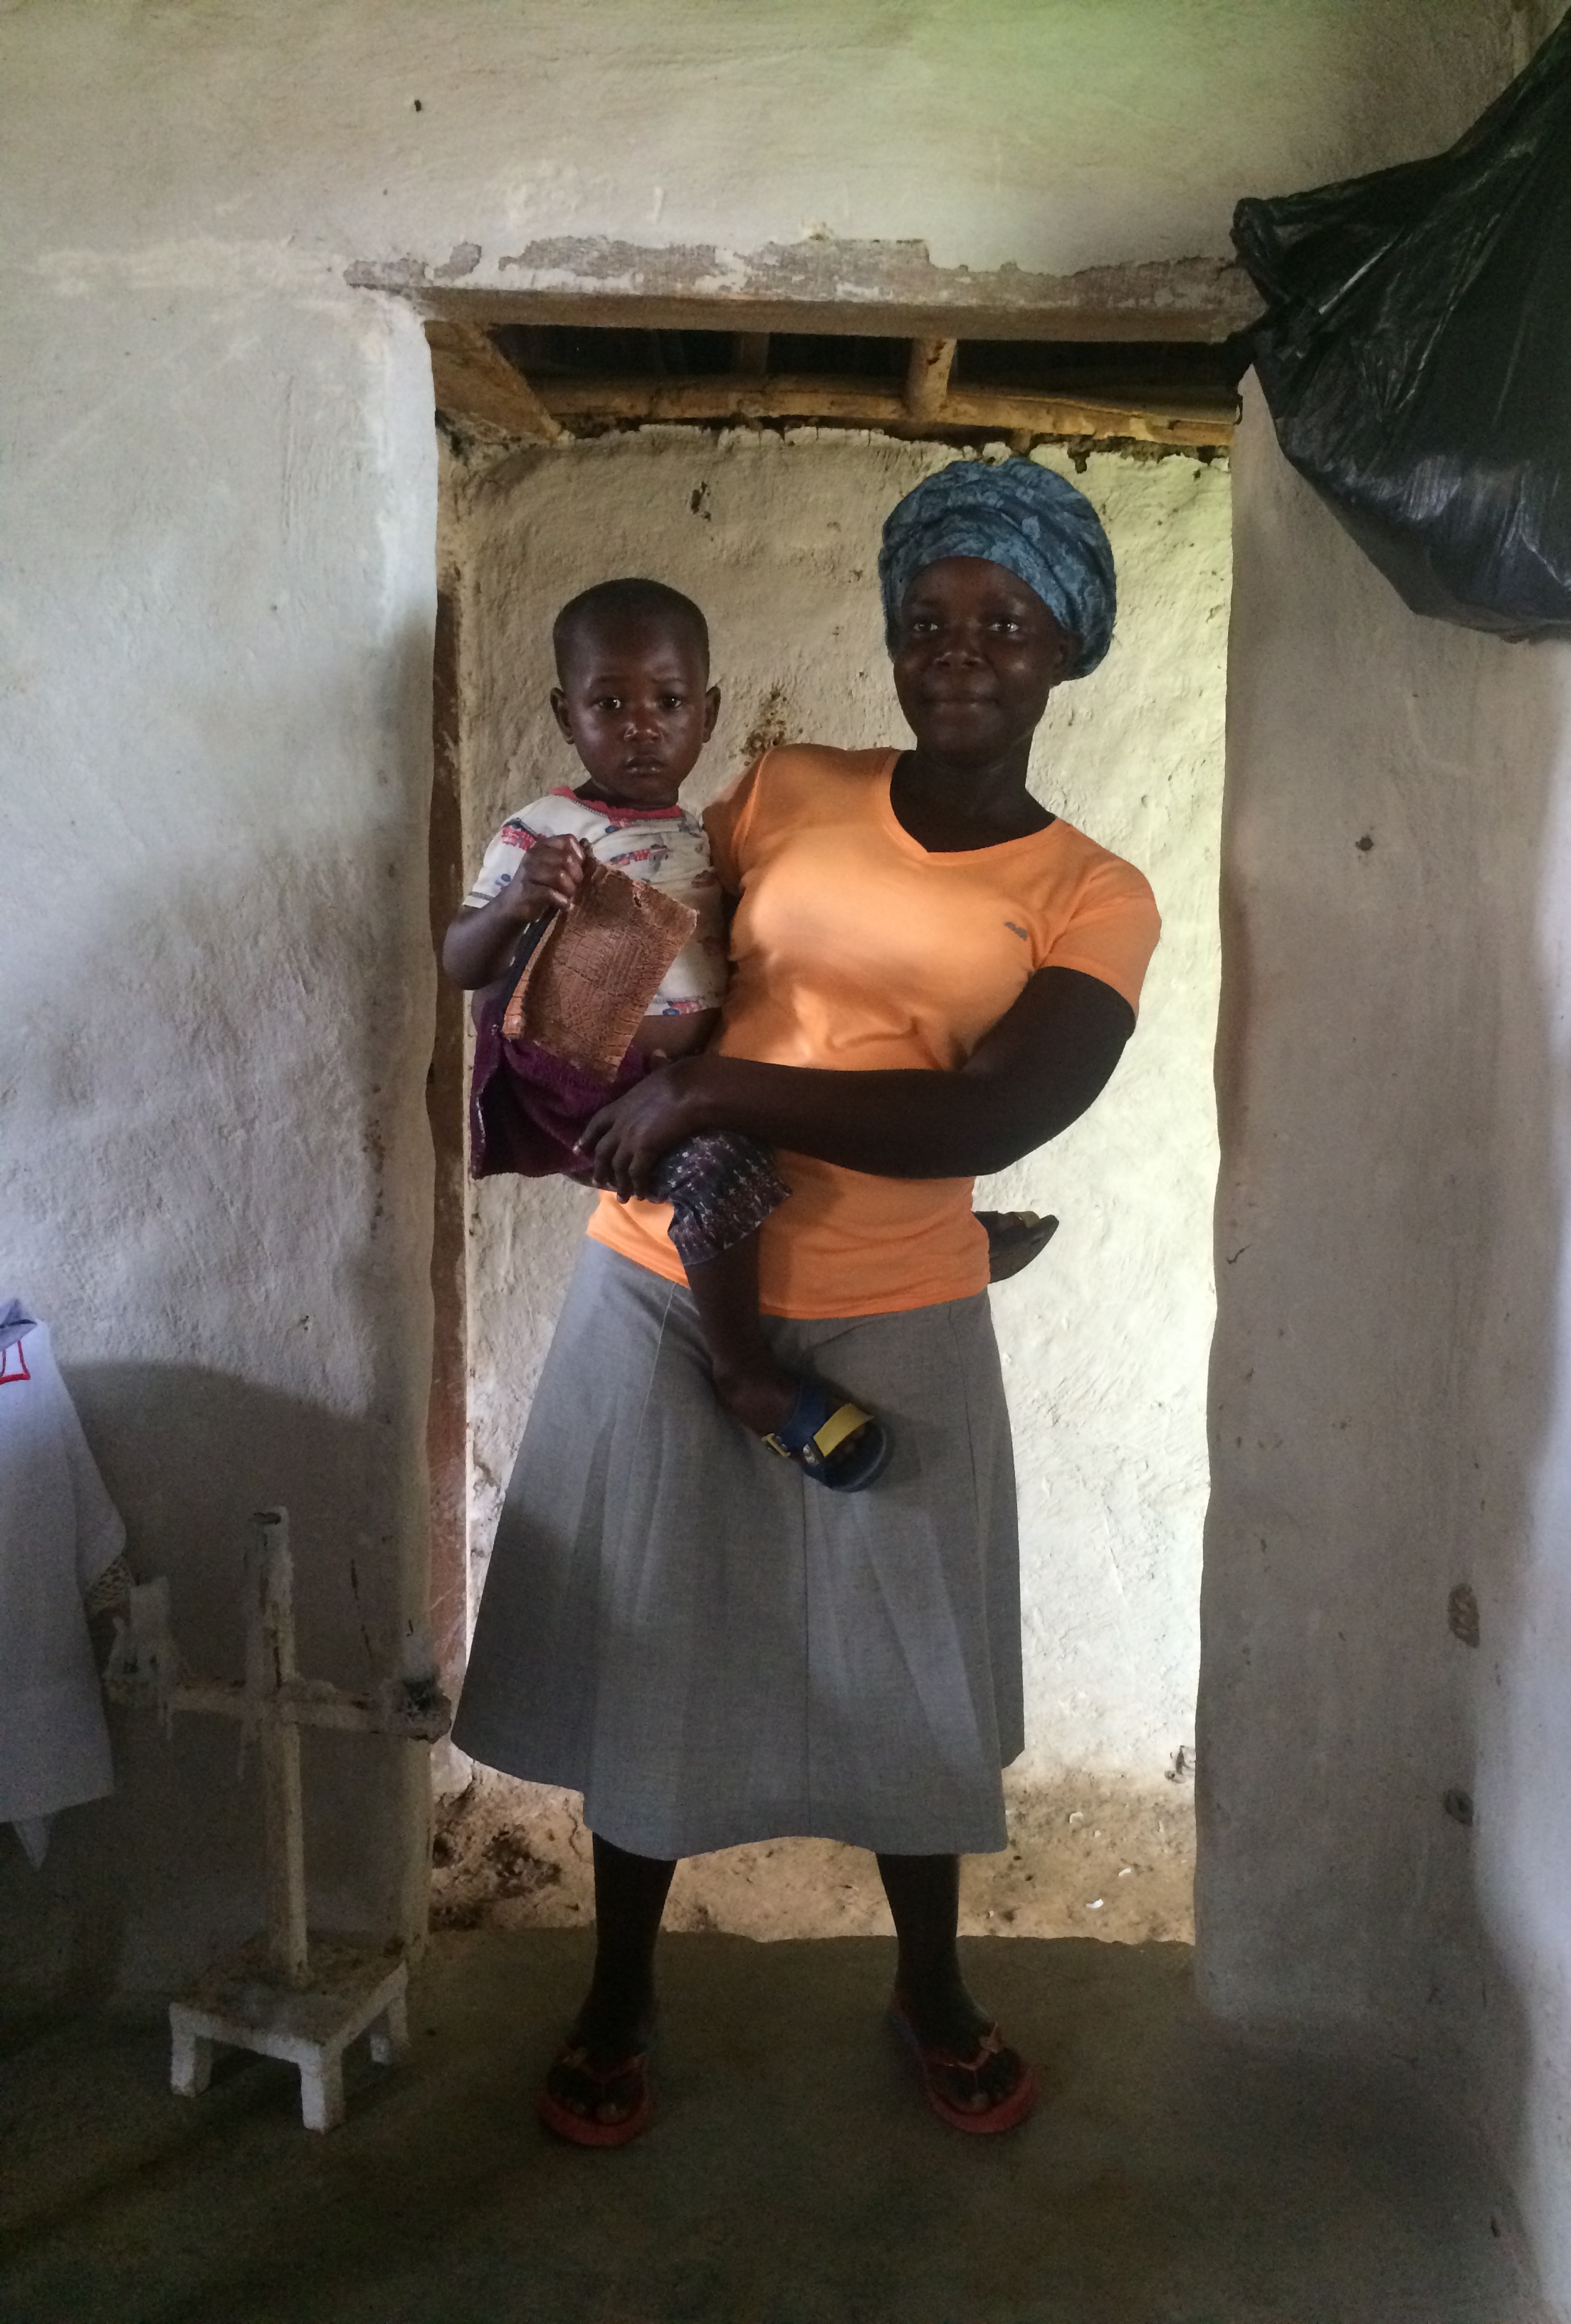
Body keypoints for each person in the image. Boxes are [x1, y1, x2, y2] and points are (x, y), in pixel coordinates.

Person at [451, 459, 1162, 2147]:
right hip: (659, 1286)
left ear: (1066, 646)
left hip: (891, 1302)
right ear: (894, 640)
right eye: (930, 618)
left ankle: (931, 1985)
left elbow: (995, 1115)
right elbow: (634, 949)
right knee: (652, 1642)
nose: (960, 650)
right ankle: (620, 1991)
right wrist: (562, 1015)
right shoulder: (782, 789)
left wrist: (719, 1096)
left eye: (1004, 621)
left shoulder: (1093, 892)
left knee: (906, 1667)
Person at [441, 578, 888, 1490]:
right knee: (719, 1167)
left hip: (679, 1080)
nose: (642, 727)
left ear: (708, 714)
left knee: (825, 1100)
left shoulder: (703, 836)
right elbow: (460, 961)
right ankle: (747, 1376)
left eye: (670, 702)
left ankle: (931, 1233)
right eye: (610, 705)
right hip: (581, 1084)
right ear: (565, 716)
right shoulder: (546, 831)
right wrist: (521, 899)